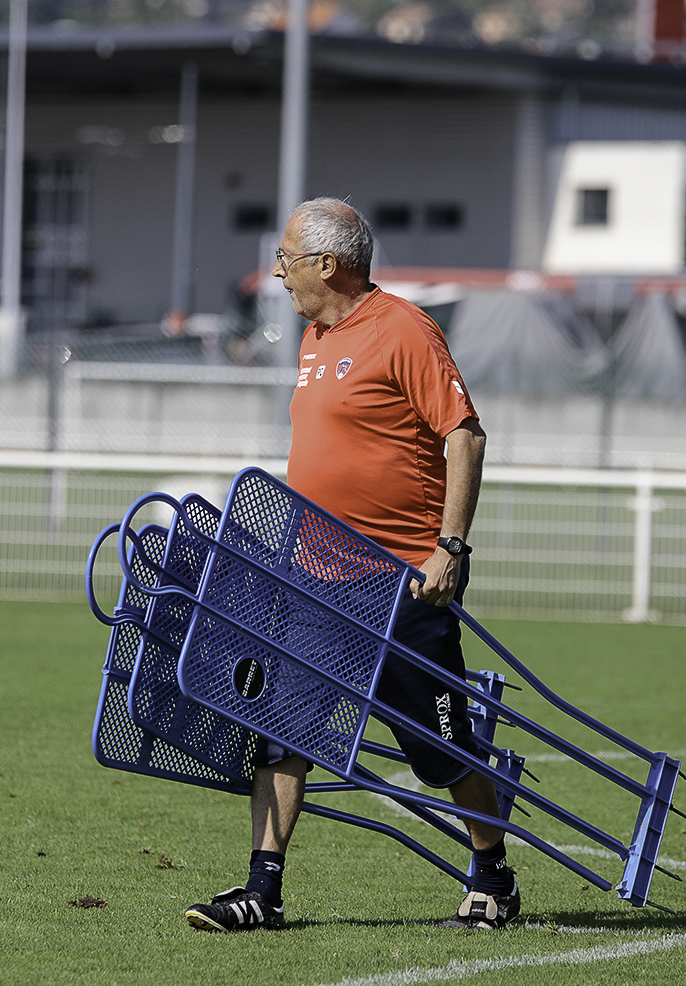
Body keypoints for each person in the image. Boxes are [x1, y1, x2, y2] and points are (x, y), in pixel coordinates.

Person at [185, 198, 518, 934]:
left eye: (286, 258)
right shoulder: (312, 336)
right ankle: (261, 892)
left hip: (398, 581)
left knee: (441, 747)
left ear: (328, 264)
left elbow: (464, 436)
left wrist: (451, 548)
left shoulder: (403, 329)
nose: (275, 270)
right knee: (281, 728)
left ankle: (493, 875)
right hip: (315, 580)